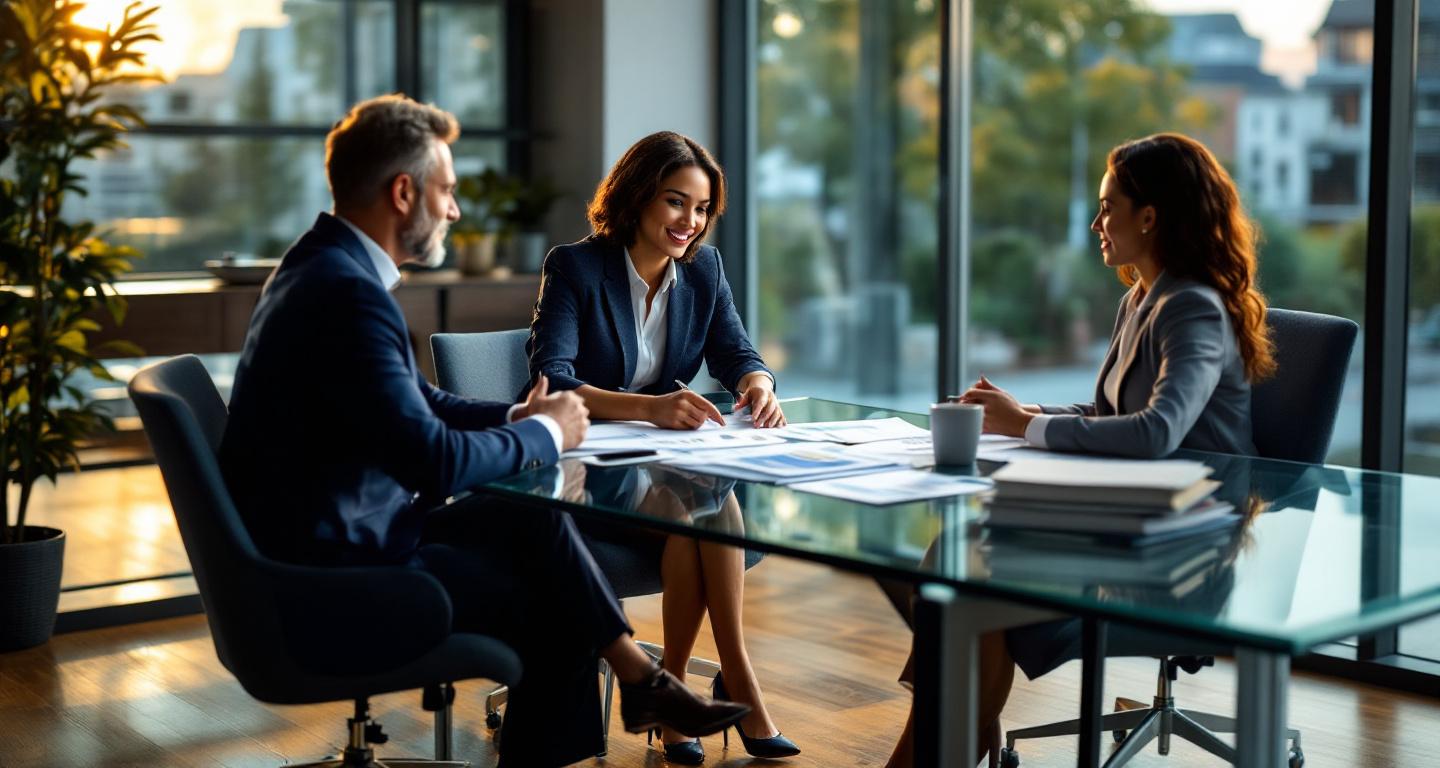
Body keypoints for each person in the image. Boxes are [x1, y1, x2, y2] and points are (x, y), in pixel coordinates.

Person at [218, 95, 749, 768]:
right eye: (447, 190)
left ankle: (643, 683)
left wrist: (513, 418)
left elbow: (419, 402)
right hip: (339, 573)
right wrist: (547, 436)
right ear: (404, 192)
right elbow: (434, 462)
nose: (455, 210)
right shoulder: (346, 295)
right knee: (552, 601)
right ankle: (617, 704)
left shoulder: (319, 268)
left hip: (341, 536)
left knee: (530, 520)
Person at [881, 132, 1278, 767]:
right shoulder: (1140, 298)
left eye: (1107, 205)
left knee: (961, 579)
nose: (1096, 221)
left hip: (1180, 551)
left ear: (1149, 217)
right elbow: (1109, 414)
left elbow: (1155, 432)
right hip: (1121, 521)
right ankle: (956, 731)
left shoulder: (1194, 308)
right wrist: (1024, 414)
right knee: (954, 558)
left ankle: (948, 736)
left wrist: (1027, 427)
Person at [523, 131, 798, 763]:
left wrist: (759, 383)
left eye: (701, 209)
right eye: (676, 203)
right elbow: (552, 378)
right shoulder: (577, 266)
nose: (690, 222)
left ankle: (671, 702)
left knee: (703, 511)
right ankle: (738, 690)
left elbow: (737, 352)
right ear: (637, 198)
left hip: (668, 463)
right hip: (586, 461)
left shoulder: (704, 269)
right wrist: (650, 408)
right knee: (701, 513)